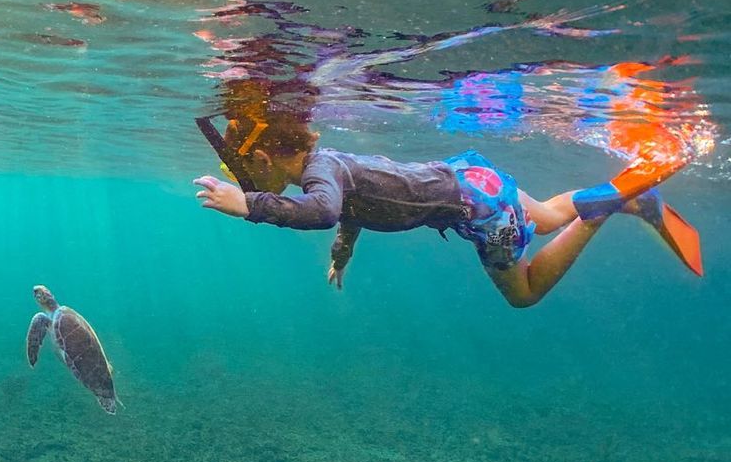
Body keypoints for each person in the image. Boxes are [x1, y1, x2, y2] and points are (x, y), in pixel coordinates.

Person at [193, 108, 701, 308]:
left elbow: (324, 210)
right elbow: (345, 212)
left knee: (523, 293)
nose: (249, 178)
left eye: (247, 170)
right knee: (545, 216)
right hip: (472, 177)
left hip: (478, 211)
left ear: (261, 157)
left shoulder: (319, 176)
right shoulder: (327, 165)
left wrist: (250, 204)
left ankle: (614, 205)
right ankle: (632, 200)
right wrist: (341, 255)